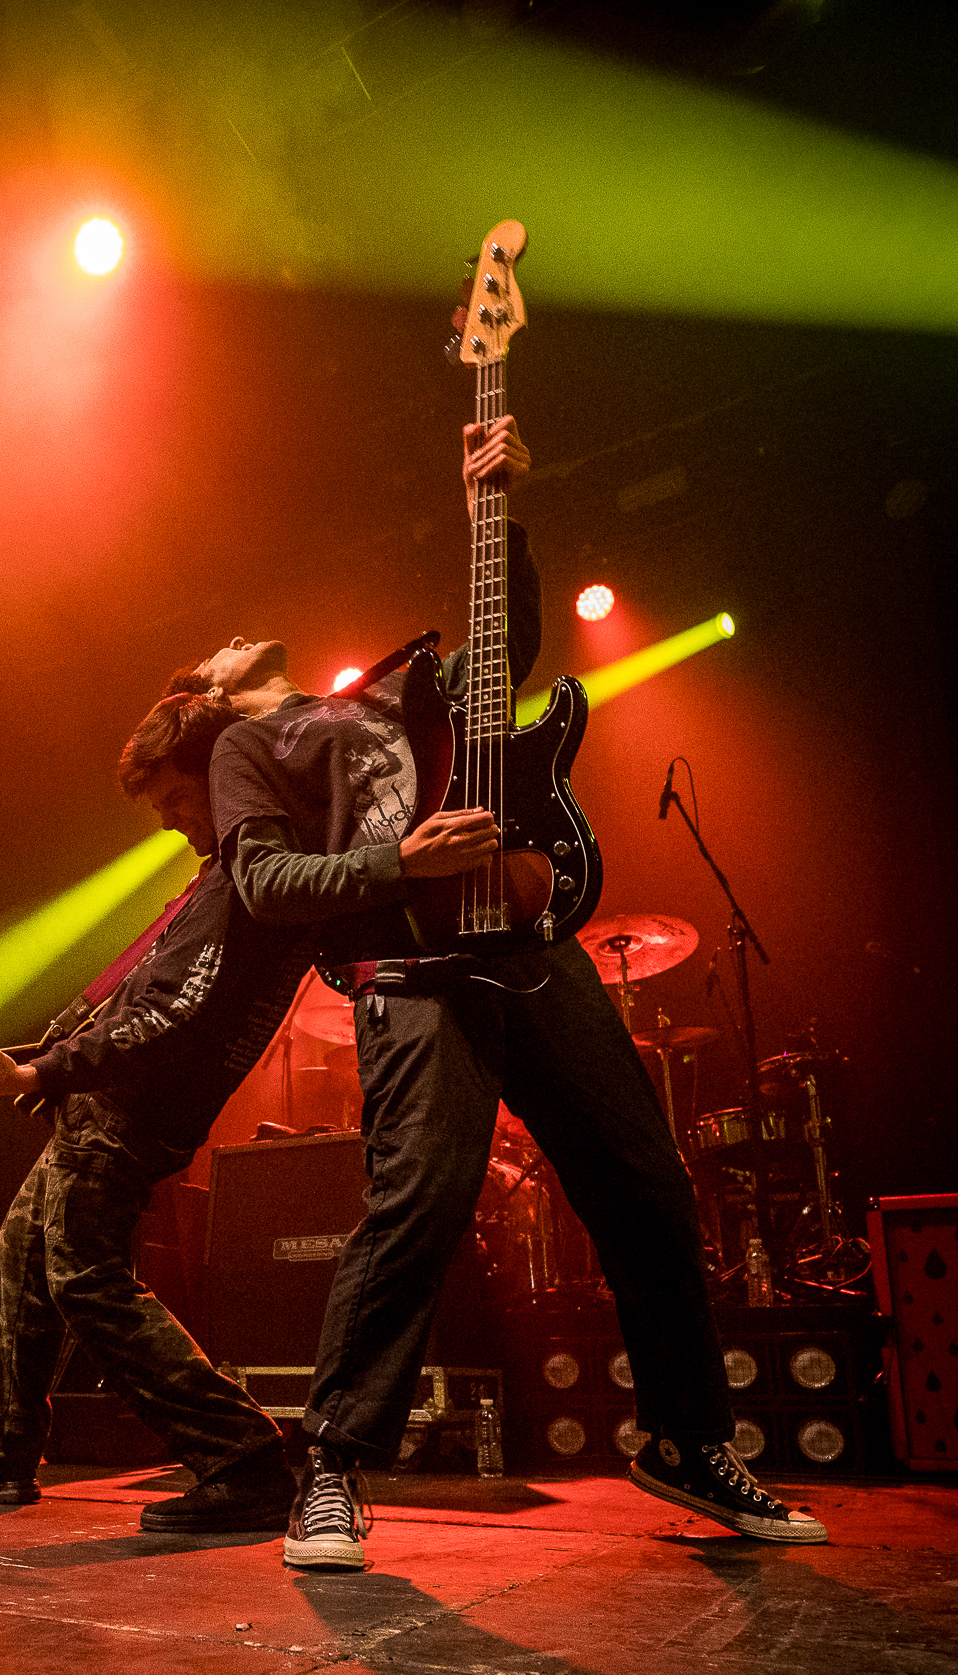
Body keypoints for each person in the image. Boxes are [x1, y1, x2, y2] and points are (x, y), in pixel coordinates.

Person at [175, 414, 827, 1565]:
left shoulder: (388, 695)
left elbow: (503, 648)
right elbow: (268, 883)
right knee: (419, 1199)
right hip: (413, 971)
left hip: (528, 944)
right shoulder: (249, 751)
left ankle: (686, 1440)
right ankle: (329, 1465)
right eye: (217, 651)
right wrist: (403, 861)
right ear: (214, 695)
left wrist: (494, 510)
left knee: (645, 1184)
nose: (238, 638)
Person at [0, 686, 315, 1531]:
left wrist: (39, 1073)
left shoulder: (246, 877)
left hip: (132, 1114)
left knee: (84, 1280)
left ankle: (244, 1458)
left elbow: (173, 1014)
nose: (168, 821)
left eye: (176, 800)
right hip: (103, 1105)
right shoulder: (218, 877)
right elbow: (145, 1001)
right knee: (24, 1263)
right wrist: (46, 1060)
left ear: (223, 777)